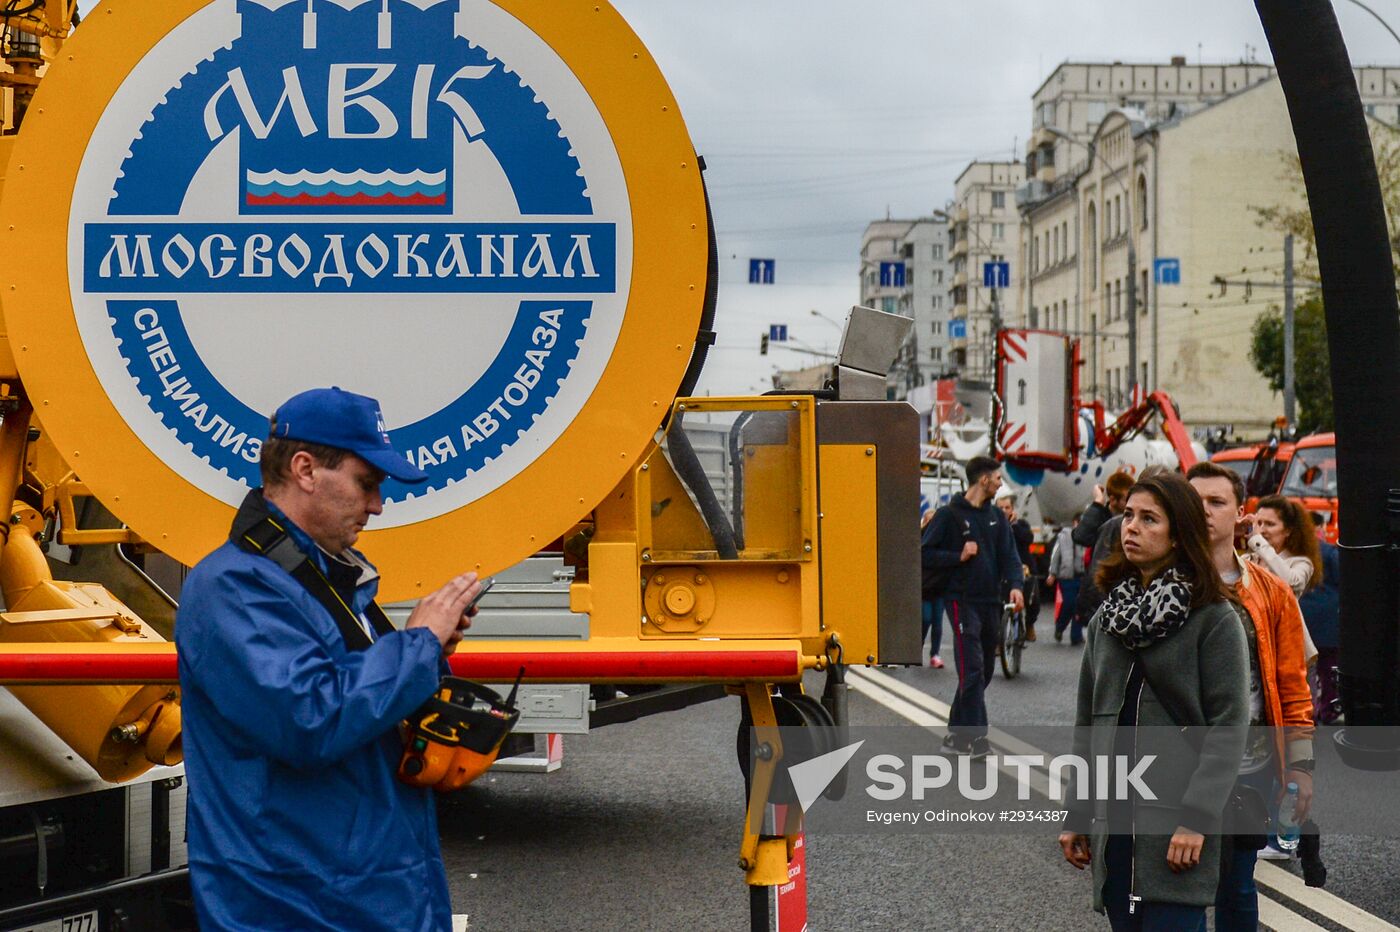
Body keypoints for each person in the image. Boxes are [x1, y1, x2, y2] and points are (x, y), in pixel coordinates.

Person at [176, 387, 487, 931]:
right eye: (367, 483)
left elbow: (342, 704)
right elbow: (309, 719)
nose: (377, 505)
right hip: (295, 902)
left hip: (354, 892)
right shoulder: (234, 587)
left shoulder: (314, 578)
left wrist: (427, 651)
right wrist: (416, 648)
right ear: (304, 469)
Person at [1059, 471, 1249, 931]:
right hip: (1115, 824)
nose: (1132, 527)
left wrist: (1197, 819)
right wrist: (1077, 813)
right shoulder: (1109, 618)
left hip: (1175, 825)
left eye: (1150, 519)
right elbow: (1088, 723)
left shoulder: (1214, 618)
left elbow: (1228, 728)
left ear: (1179, 533)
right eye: (1129, 516)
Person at [1187, 461, 1315, 924]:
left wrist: (1301, 766)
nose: (1203, 511)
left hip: (1250, 764)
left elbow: (1293, 685)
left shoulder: (1271, 591)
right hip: (1173, 764)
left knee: (1237, 885)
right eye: (1193, 500)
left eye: (1216, 502)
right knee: (1173, 891)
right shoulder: (1157, 585)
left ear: (1239, 512)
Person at [922, 456, 1024, 757]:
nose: (1000, 483)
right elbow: (924, 554)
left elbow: (1010, 556)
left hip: (990, 601)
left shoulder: (996, 517)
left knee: (984, 672)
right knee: (974, 669)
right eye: (996, 478)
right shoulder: (948, 515)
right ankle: (978, 740)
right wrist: (958, 556)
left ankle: (955, 735)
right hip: (961, 600)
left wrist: (1016, 585)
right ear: (982, 480)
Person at [1072, 470, 1136, 631]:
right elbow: (1080, 536)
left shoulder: (1134, 520)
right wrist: (1098, 502)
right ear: (1113, 499)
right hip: (1101, 594)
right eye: (1125, 499)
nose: (1130, 503)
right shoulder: (1102, 517)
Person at [1299, 514, 1341, 724]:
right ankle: (1328, 710)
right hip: (1329, 624)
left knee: (1306, 671)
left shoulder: (1295, 553)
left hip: (1303, 622)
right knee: (1329, 671)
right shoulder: (1330, 552)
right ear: (1319, 528)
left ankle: (1309, 711)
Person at [1244, 495, 1323, 600]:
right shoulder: (1248, 559)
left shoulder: (1301, 563)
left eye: (1270, 524)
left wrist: (1258, 541)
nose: (1261, 530)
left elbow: (1290, 584)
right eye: (1259, 523)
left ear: (1287, 530)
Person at [997, 486, 1040, 641]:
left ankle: (1029, 625)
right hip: (1002, 568)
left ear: (1012, 509)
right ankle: (999, 639)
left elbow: (1028, 538)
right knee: (998, 603)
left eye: (1007, 507)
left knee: (1032, 600)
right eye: (1000, 508)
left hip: (1025, 567)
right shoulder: (994, 525)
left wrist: (1013, 525)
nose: (1004, 510)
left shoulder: (1020, 524)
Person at [1047, 517, 1087, 645]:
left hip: (1081, 576)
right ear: (1074, 523)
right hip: (1066, 577)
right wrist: (1052, 573)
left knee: (1079, 606)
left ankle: (1076, 636)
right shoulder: (1064, 536)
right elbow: (1056, 555)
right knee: (1069, 604)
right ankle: (1060, 626)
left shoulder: (1088, 537)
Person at [920, 508, 946, 668]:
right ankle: (919, 645)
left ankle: (935, 654)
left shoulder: (943, 539)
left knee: (937, 622)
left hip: (940, 587)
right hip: (924, 588)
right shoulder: (921, 538)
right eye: (928, 521)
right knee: (925, 619)